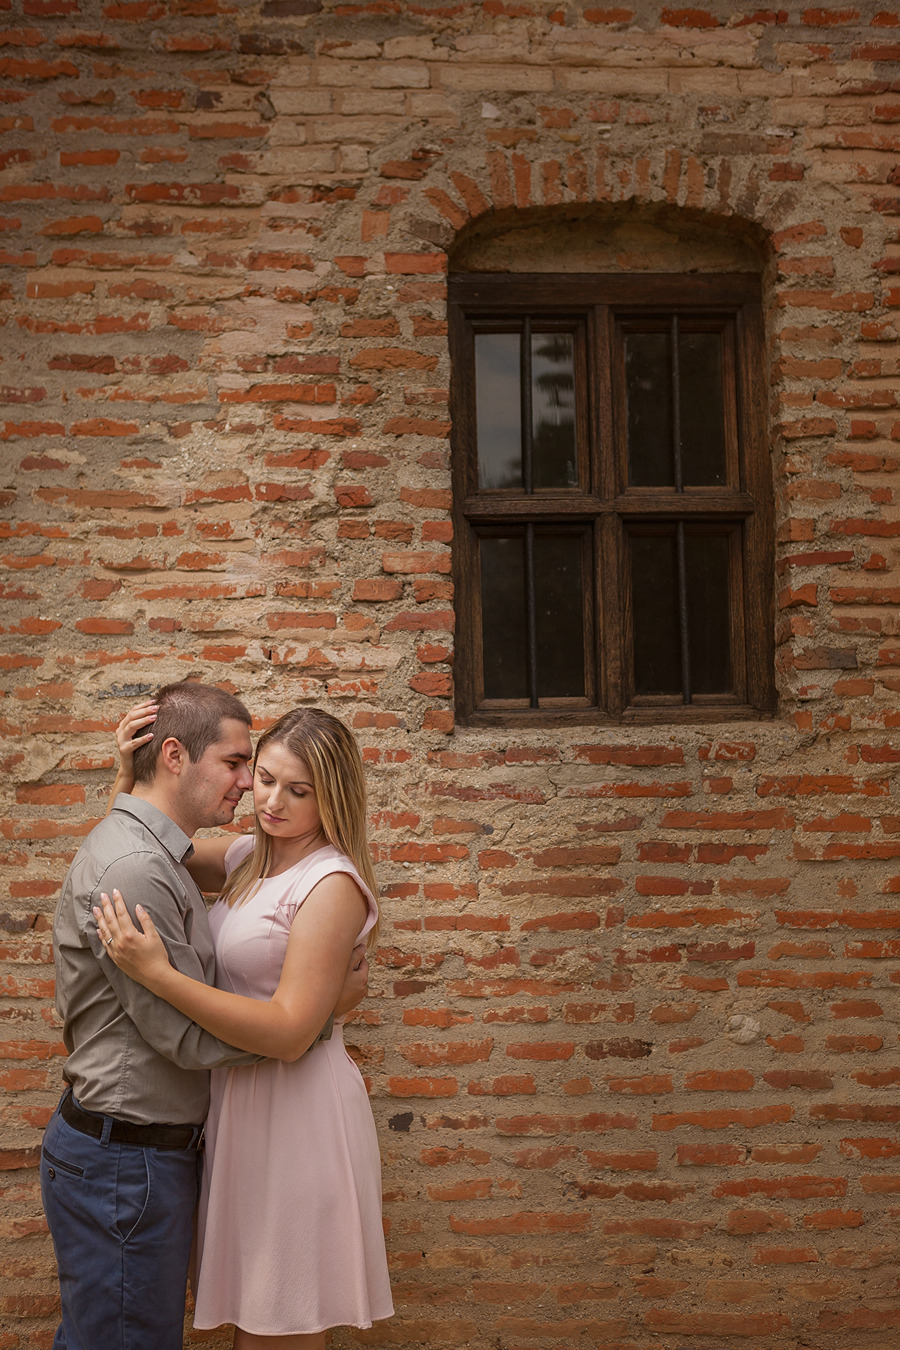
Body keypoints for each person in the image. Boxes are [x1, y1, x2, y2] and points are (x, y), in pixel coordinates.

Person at [43, 680, 367, 1350]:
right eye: (259, 775)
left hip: (292, 1110)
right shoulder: (251, 856)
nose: (263, 796)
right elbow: (141, 850)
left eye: (295, 790)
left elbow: (285, 1030)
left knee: (279, 1318)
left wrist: (163, 975)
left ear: (331, 798)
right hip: (234, 1111)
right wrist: (125, 773)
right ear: (172, 757)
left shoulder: (328, 882)